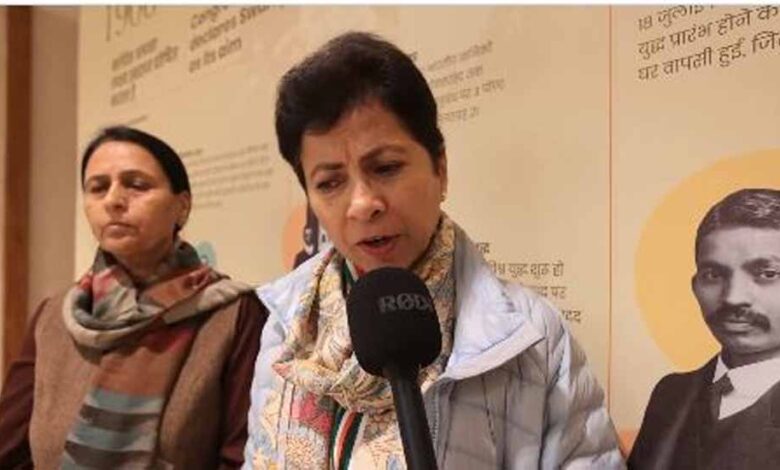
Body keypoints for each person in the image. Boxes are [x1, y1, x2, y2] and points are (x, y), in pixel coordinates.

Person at [243, 32, 623, 469]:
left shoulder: (534, 339)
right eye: (330, 182)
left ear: (440, 168)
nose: (363, 204)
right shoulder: (288, 327)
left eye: (386, 167)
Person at [0, 126, 267, 469]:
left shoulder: (233, 314)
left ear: (182, 207)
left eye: (137, 185)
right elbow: (9, 451)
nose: (113, 200)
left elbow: (243, 457)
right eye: (98, 188)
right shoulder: (53, 319)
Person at [629, 188, 780, 469]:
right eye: (713, 275)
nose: (733, 297)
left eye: (767, 274)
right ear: (695, 286)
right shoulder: (671, 394)